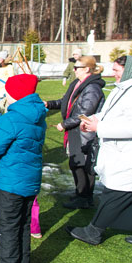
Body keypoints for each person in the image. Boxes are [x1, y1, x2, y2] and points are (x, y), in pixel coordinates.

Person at [68, 55, 132, 247]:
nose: (112, 73)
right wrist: (90, 122)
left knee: (115, 193)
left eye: (116, 70)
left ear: (128, 70)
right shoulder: (123, 89)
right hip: (126, 154)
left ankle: (93, 231)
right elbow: (106, 113)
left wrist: (100, 128)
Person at [0, 74, 46, 263]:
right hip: (30, 181)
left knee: (8, 228)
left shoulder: (12, 118)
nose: (5, 96)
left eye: (8, 93)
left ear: (15, 94)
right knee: (23, 227)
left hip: (10, 184)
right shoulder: (38, 115)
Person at [45, 56, 105, 209]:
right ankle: (80, 193)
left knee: (83, 165)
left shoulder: (92, 88)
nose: (74, 69)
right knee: (75, 164)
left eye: (77, 67)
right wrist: (49, 104)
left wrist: (65, 124)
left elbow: (85, 112)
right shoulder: (77, 84)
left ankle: (85, 197)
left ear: (86, 69)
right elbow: (66, 101)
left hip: (85, 133)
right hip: (75, 132)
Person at [0, 50, 15, 126]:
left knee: (6, 106)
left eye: (0, 58)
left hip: (6, 89)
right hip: (0, 89)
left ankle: (8, 121)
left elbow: (11, 78)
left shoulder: (9, 67)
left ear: (4, 59)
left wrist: (8, 87)